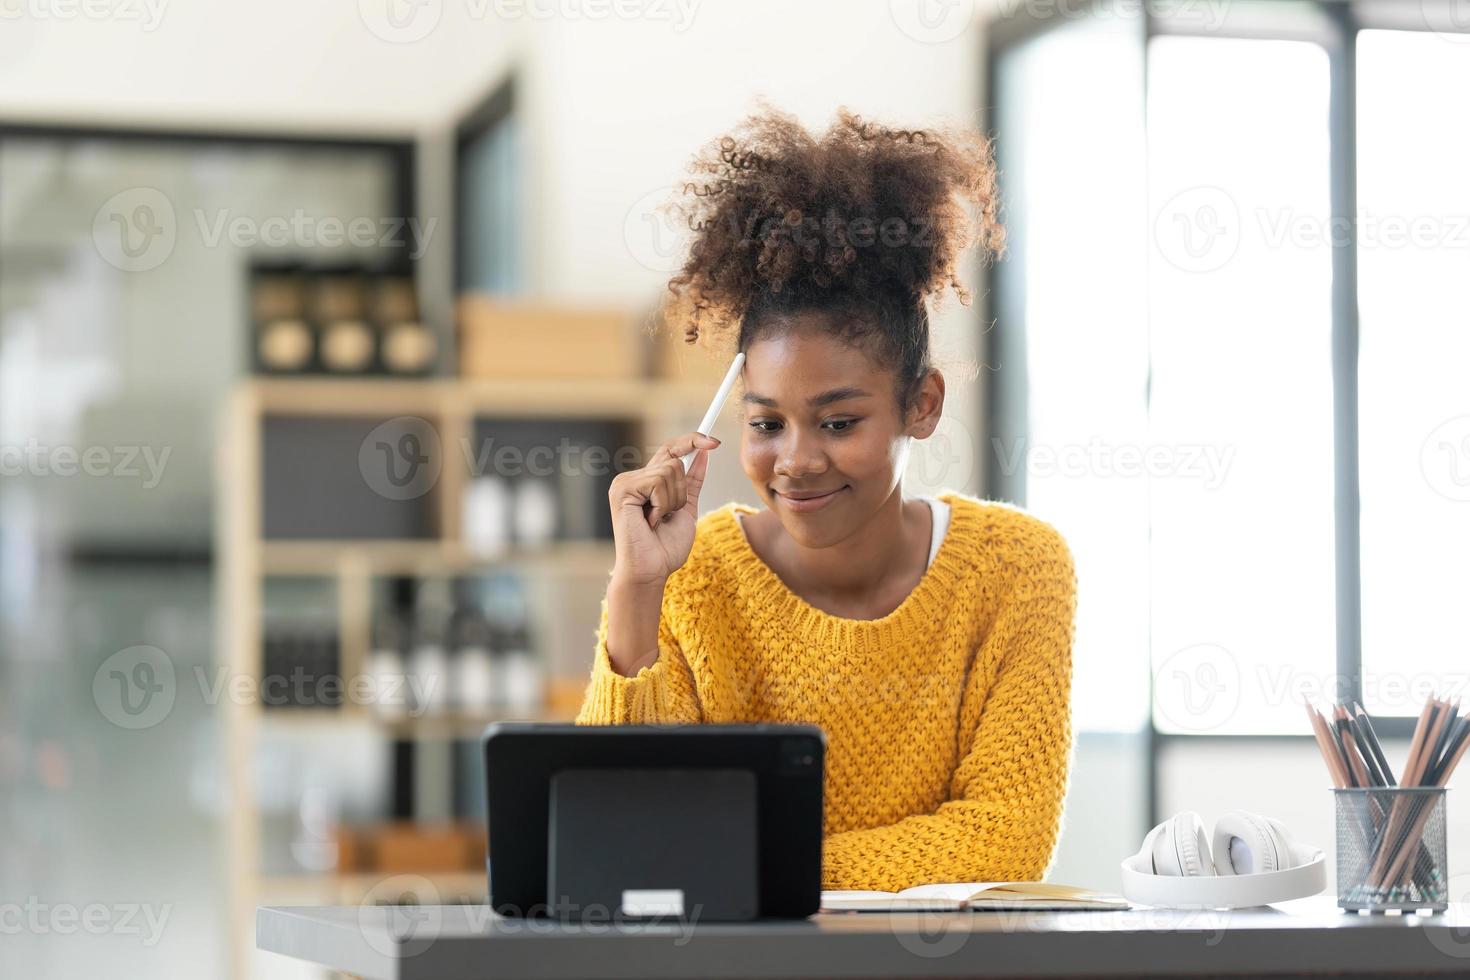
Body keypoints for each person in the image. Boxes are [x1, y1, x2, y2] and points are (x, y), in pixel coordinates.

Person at [574, 105, 1078, 892]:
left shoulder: (1017, 568)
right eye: (767, 422)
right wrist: (636, 591)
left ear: (923, 404)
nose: (797, 461)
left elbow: (1006, 836)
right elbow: (616, 831)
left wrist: (752, 860)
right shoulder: (693, 578)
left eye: (839, 421)